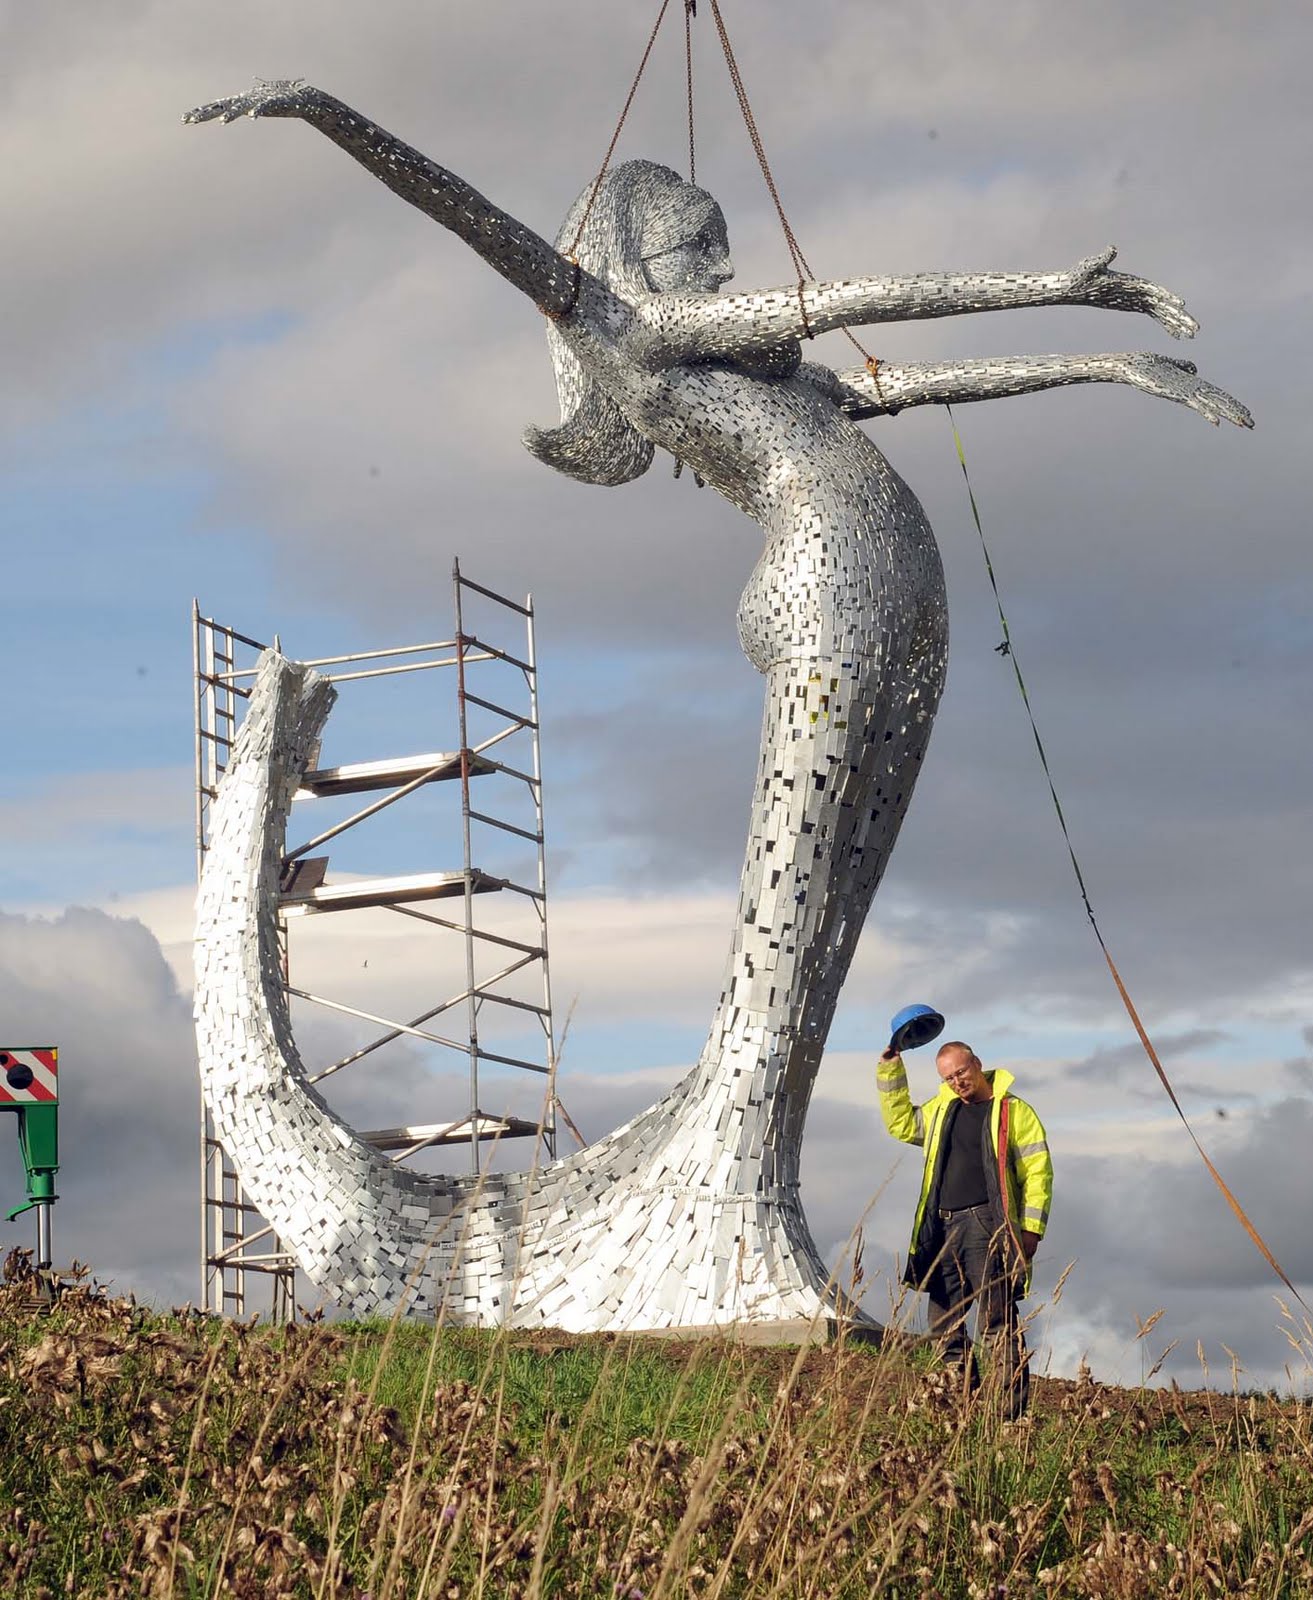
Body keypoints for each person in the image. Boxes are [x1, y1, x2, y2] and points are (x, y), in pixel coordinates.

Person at [186, 81, 1237, 1322]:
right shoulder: (631, 328)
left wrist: (1105, 360)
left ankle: (741, 1196)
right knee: (780, 944)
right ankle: (728, 1225)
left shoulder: (777, 381)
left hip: (897, 607)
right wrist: (326, 108)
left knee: (813, 944)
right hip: (825, 600)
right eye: (703, 242)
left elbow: (909, 376)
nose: (726, 264)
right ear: (641, 246)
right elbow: (489, 217)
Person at [878, 1039, 1052, 1419]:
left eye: (961, 1072)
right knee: (942, 1323)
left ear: (977, 1064)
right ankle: (961, 1406)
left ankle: (1009, 1419)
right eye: (948, 1077)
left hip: (988, 1225)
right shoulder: (943, 1110)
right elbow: (902, 1123)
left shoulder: (1013, 1111)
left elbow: (1037, 1172)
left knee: (996, 1320)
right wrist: (890, 1067)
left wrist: (1032, 1231)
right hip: (942, 1227)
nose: (957, 1081)